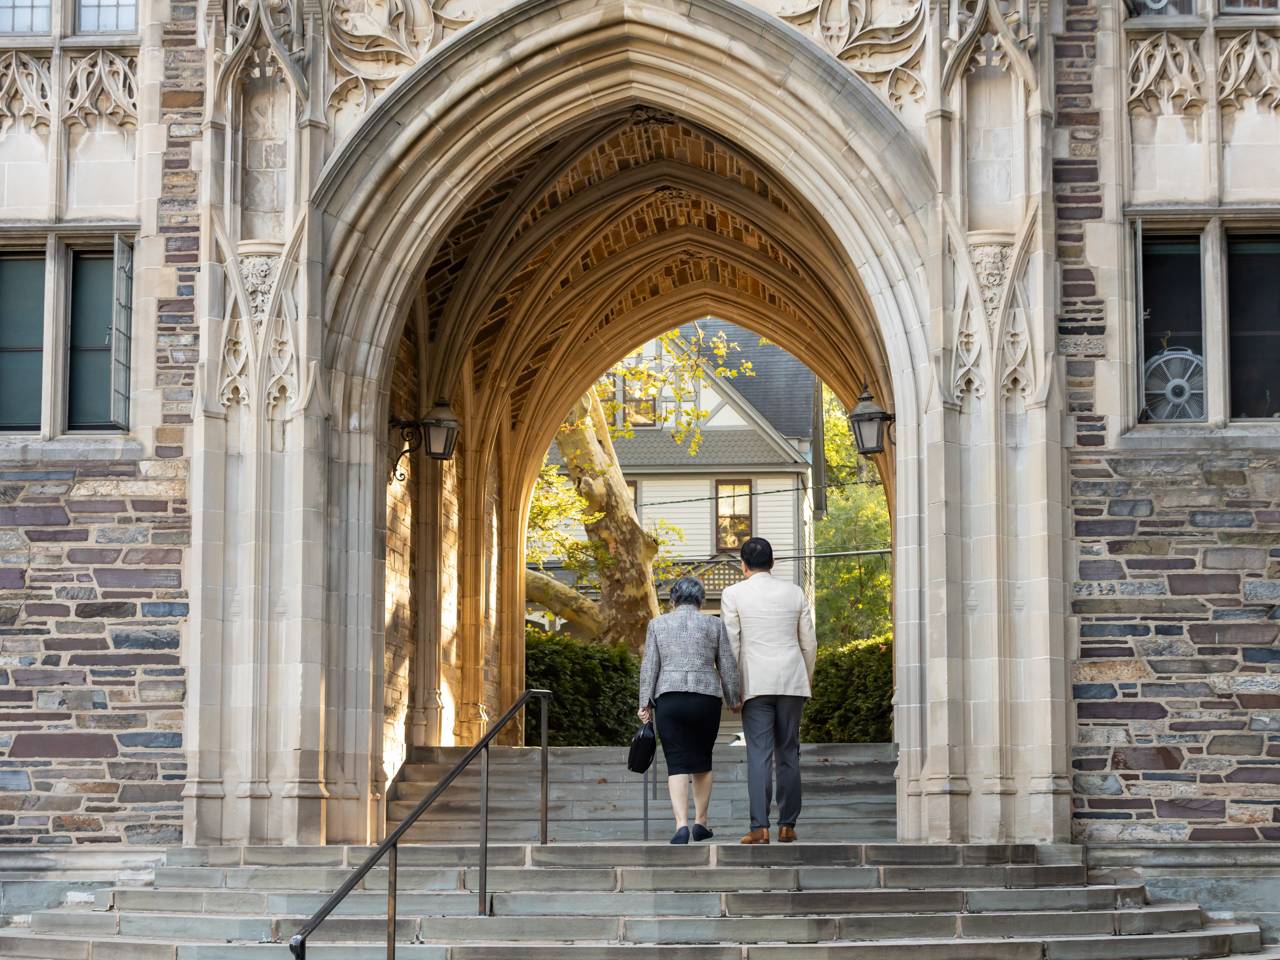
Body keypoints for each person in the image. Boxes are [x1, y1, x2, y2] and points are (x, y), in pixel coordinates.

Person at [720, 537, 816, 844]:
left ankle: (759, 826)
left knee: (758, 753)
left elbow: (732, 644)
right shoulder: (794, 593)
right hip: (792, 679)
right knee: (789, 751)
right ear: (773, 563)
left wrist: (732, 690)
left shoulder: (733, 593)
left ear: (743, 566)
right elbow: (809, 643)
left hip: (755, 683)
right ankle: (787, 824)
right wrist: (806, 678)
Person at [638, 577, 741, 844]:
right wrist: (733, 699)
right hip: (705, 699)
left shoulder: (658, 624)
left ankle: (680, 825)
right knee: (702, 761)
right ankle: (701, 823)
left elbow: (649, 666)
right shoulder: (714, 624)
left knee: (676, 762)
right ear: (700, 600)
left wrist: (644, 704)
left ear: (673, 600)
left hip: (670, 698)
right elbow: (727, 666)